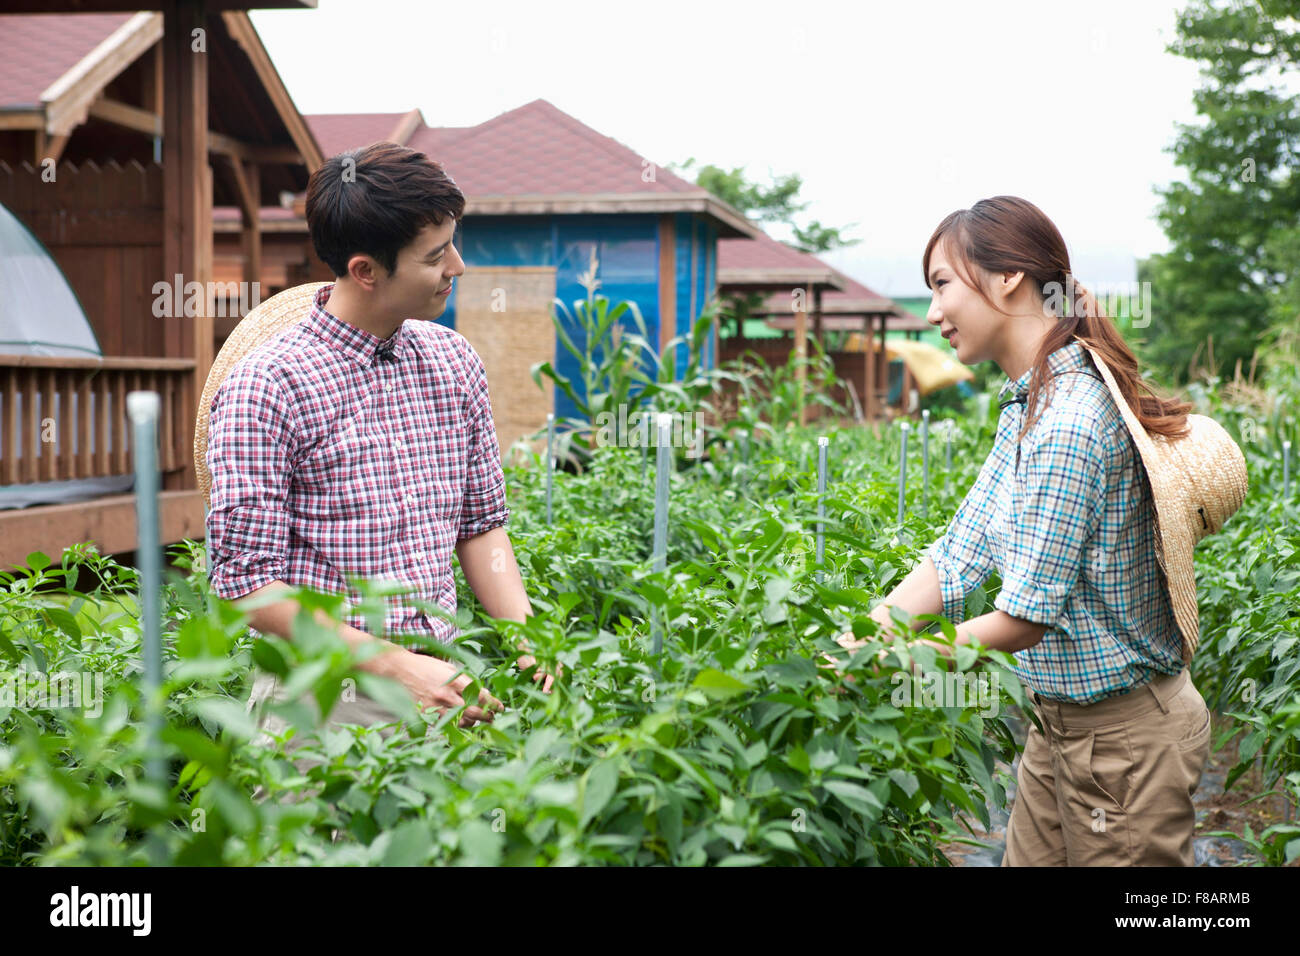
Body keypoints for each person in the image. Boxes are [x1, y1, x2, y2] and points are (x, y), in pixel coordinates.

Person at [837, 195, 1243, 866]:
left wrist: (896, 658)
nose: (932, 310)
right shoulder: (1030, 404)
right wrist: (869, 629)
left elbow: (1025, 615)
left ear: (1008, 280)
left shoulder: (1067, 422)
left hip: (1125, 746)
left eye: (942, 284)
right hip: (1058, 726)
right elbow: (959, 551)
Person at [204, 143, 558, 767]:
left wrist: (529, 643)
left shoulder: (451, 361)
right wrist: (396, 668)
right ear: (366, 270)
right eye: (434, 254)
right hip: (323, 702)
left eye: (453, 240)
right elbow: (245, 585)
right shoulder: (271, 385)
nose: (459, 264)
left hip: (445, 687)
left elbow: (481, 526)